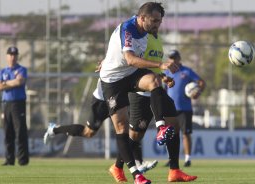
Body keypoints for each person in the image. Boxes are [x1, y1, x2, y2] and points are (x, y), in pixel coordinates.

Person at [99, 2, 196, 183]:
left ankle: (173, 167)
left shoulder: (148, 33)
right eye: (154, 21)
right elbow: (129, 58)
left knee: (170, 117)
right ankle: (125, 170)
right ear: (142, 18)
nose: (157, 25)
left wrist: (160, 74)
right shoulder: (128, 29)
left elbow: (139, 60)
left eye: (159, 21)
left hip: (133, 76)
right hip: (115, 81)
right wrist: (160, 66)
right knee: (129, 132)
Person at [43, 79, 159, 174]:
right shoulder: (119, 58)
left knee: (129, 130)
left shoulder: (128, 60)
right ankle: (54, 129)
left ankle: (138, 162)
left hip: (117, 100)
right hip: (102, 101)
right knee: (88, 132)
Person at [164, 50, 206, 167]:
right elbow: (163, 89)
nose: (172, 60)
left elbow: (201, 82)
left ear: (179, 59)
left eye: (174, 58)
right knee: (171, 135)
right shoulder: (166, 72)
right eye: (170, 58)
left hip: (185, 108)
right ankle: (172, 159)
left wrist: (198, 92)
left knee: (186, 134)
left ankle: (187, 159)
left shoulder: (186, 71)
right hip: (170, 109)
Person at [0, 46, 29, 166]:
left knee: (20, 131)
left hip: (18, 103)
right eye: (10, 54)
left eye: (15, 55)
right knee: (7, 132)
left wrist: (5, 83)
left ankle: (23, 160)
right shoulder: (2, 72)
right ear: (7, 56)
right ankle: (9, 160)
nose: (13, 57)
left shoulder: (22, 69)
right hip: (6, 104)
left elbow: (20, 81)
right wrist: (11, 82)